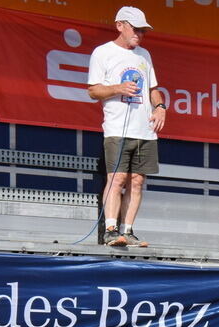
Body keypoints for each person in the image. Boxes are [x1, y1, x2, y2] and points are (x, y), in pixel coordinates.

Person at [87, 6, 166, 248]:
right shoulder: (103, 52)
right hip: (117, 128)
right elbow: (93, 90)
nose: (140, 34)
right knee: (117, 177)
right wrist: (117, 88)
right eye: (136, 29)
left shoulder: (144, 55)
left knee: (137, 181)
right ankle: (110, 230)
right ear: (120, 25)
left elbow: (153, 88)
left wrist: (160, 107)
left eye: (143, 31)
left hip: (144, 129)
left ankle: (128, 231)